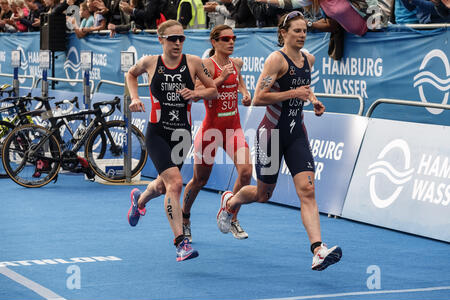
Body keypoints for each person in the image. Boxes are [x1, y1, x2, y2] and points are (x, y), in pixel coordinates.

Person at [216, 11, 342, 271]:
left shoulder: (309, 59)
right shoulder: (276, 60)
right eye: (296, 31)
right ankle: (231, 202)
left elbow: (305, 89)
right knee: (263, 194)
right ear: (283, 33)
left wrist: (313, 100)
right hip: (271, 134)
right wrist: (291, 93)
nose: (302, 35)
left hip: (297, 133)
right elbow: (260, 97)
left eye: (305, 31)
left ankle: (318, 250)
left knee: (307, 191)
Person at [126, 19, 218, 262]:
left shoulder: (194, 63)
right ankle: (181, 243)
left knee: (163, 186)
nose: (178, 43)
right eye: (172, 39)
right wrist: (134, 98)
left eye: (182, 38)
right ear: (161, 40)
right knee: (175, 183)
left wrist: (196, 93)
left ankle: (140, 199)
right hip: (157, 133)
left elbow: (213, 90)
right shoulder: (150, 62)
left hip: (182, 135)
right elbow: (130, 74)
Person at [181, 25, 252, 242]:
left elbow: (239, 81)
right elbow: (196, 94)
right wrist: (220, 80)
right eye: (225, 39)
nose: (231, 42)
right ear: (214, 42)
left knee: (246, 173)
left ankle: (230, 214)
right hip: (211, 131)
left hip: (233, 128)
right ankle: (184, 219)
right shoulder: (206, 66)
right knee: (199, 180)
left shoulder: (236, 63)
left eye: (233, 38)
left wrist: (245, 92)